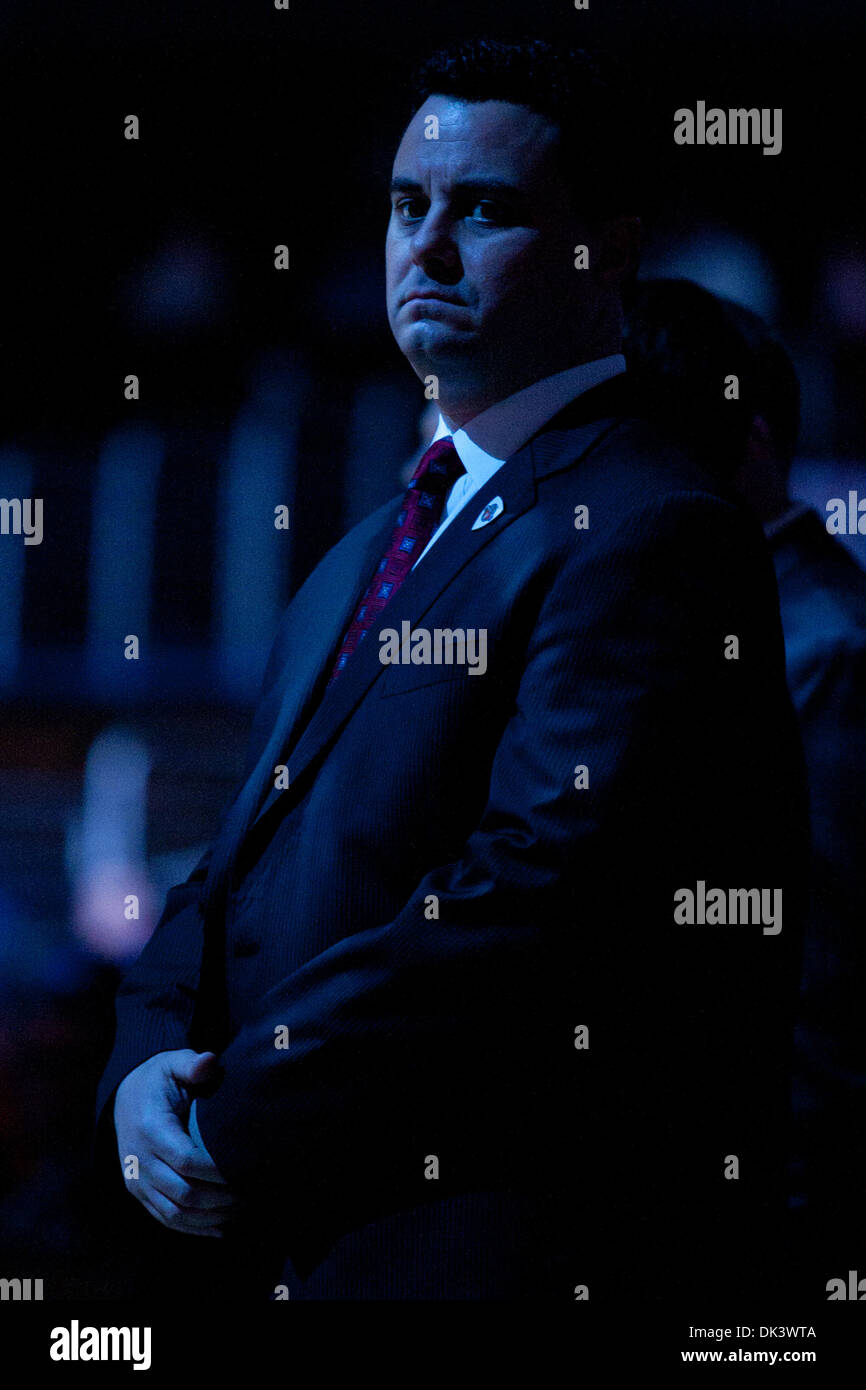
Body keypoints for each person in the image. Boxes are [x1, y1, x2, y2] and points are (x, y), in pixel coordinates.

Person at [94, 41, 808, 1303]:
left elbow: (538, 893)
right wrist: (144, 1064)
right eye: (403, 205)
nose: (422, 249)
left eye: (482, 209)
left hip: (488, 1254)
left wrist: (237, 1097)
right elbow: (228, 866)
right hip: (315, 1229)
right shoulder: (365, 550)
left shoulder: (647, 521)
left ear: (608, 249)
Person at [625, 277, 866, 1294]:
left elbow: (818, 963)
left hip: (778, 1199)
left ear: (750, 437)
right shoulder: (711, 614)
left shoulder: (826, 646)